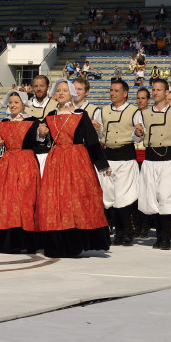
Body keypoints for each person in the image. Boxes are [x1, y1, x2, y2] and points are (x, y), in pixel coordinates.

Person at [35, 80, 111, 257]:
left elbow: (92, 141)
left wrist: (101, 164)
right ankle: (56, 244)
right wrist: (41, 133)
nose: (61, 93)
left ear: (72, 94)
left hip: (77, 161)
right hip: (55, 162)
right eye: (59, 90)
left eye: (65, 90)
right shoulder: (50, 115)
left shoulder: (80, 114)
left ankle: (75, 243)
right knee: (56, 202)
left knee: (76, 200)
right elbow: (43, 141)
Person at [0, 91, 43, 254]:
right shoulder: (2, 122)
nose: (12, 105)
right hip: (7, 165)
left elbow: (38, 142)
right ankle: (8, 241)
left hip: (25, 164)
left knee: (24, 201)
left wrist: (42, 134)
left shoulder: (33, 122)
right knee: (6, 202)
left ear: (24, 104)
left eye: (16, 102)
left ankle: (26, 241)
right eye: (10, 102)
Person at [136, 78, 171, 250]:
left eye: (158, 90)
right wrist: (138, 133)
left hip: (169, 159)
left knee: (166, 196)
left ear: (166, 93)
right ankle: (160, 236)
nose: (155, 92)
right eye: (153, 89)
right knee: (152, 198)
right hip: (150, 159)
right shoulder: (143, 113)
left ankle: (166, 238)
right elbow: (137, 137)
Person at [97, 78, 143, 246]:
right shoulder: (103, 110)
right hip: (108, 156)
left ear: (125, 94)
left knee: (124, 197)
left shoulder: (134, 111)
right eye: (111, 90)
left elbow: (140, 134)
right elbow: (100, 133)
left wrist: (138, 133)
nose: (112, 93)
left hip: (125, 157)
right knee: (109, 197)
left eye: (116, 91)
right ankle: (117, 232)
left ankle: (128, 232)